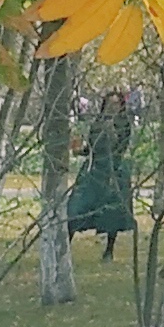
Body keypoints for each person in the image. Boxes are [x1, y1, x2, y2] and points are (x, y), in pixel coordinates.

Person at [66, 87, 136, 260]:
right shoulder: (97, 123)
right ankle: (65, 249)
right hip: (94, 170)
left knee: (112, 214)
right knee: (75, 208)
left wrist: (112, 133)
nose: (112, 108)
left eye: (116, 105)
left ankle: (109, 251)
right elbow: (91, 149)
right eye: (109, 104)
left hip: (114, 171)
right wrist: (79, 150)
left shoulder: (124, 124)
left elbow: (120, 148)